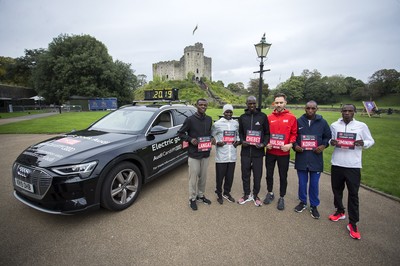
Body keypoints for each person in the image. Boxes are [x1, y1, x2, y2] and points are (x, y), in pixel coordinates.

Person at [329, 104, 374, 240]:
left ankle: (353, 223)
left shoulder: (362, 125)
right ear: (341, 112)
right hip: (337, 163)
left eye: (350, 111)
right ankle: (340, 211)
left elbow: (371, 140)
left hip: (353, 165)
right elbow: (330, 139)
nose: (347, 113)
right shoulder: (335, 125)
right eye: (344, 111)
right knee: (337, 190)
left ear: (354, 112)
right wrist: (332, 141)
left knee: (353, 194)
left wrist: (363, 143)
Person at [293, 101, 331, 219]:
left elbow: (327, 137)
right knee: (302, 183)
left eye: (313, 108)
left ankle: (314, 205)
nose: (310, 110)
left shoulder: (323, 122)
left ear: (316, 109)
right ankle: (303, 202)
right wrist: (295, 146)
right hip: (302, 158)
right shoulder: (298, 121)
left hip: (316, 158)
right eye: (308, 108)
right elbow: (293, 136)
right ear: (305, 108)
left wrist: (323, 146)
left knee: (314, 184)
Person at [178, 98, 216, 211]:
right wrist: (190, 139)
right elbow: (180, 133)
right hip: (194, 154)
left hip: (205, 153)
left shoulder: (209, 119)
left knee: (203, 177)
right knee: (193, 178)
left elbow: (209, 133)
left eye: (205, 105)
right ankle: (192, 198)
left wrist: (212, 138)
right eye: (201, 105)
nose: (203, 107)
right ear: (196, 105)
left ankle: (200, 195)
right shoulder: (190, 120)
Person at [264, 93, 297, 210]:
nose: (278, 105)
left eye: (281, 102)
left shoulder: (291, 117)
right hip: (271, 152)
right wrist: (266, 143)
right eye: (276, 103)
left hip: (284, 153)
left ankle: (282, 197)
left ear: (285, 103)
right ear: (274, 103)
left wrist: (290, 144)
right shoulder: (269, 117)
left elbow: (294, 133)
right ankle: (270, 192)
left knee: (283, 176)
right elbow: (265, 133)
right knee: (269, 174)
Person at [238, 96, 269, 206]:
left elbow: (267, 133)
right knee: (245, 174)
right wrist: (242, 141)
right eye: (249, 103)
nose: (251, 105)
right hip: (246, 152)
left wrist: (264, 144)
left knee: (257, 175)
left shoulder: (262, 116)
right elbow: (240, 132)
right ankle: (246, 194)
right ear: (246, 104)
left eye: (253, 103)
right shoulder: (242, 117)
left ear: (256, 104)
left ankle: (255, 195)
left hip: (258, 152)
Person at [211, 104, 240, 204]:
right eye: (227, 112)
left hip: (232, 155)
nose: (228, 114)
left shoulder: (235, 123)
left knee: (230, 176)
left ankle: (227, 192)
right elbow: (211, 136)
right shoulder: (217, 124)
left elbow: (238, 135)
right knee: (220, 176)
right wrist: (217, 143)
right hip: (221, 155)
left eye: (230, 112)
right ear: (223, 112)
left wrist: (238, 142)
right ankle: (219, 193)